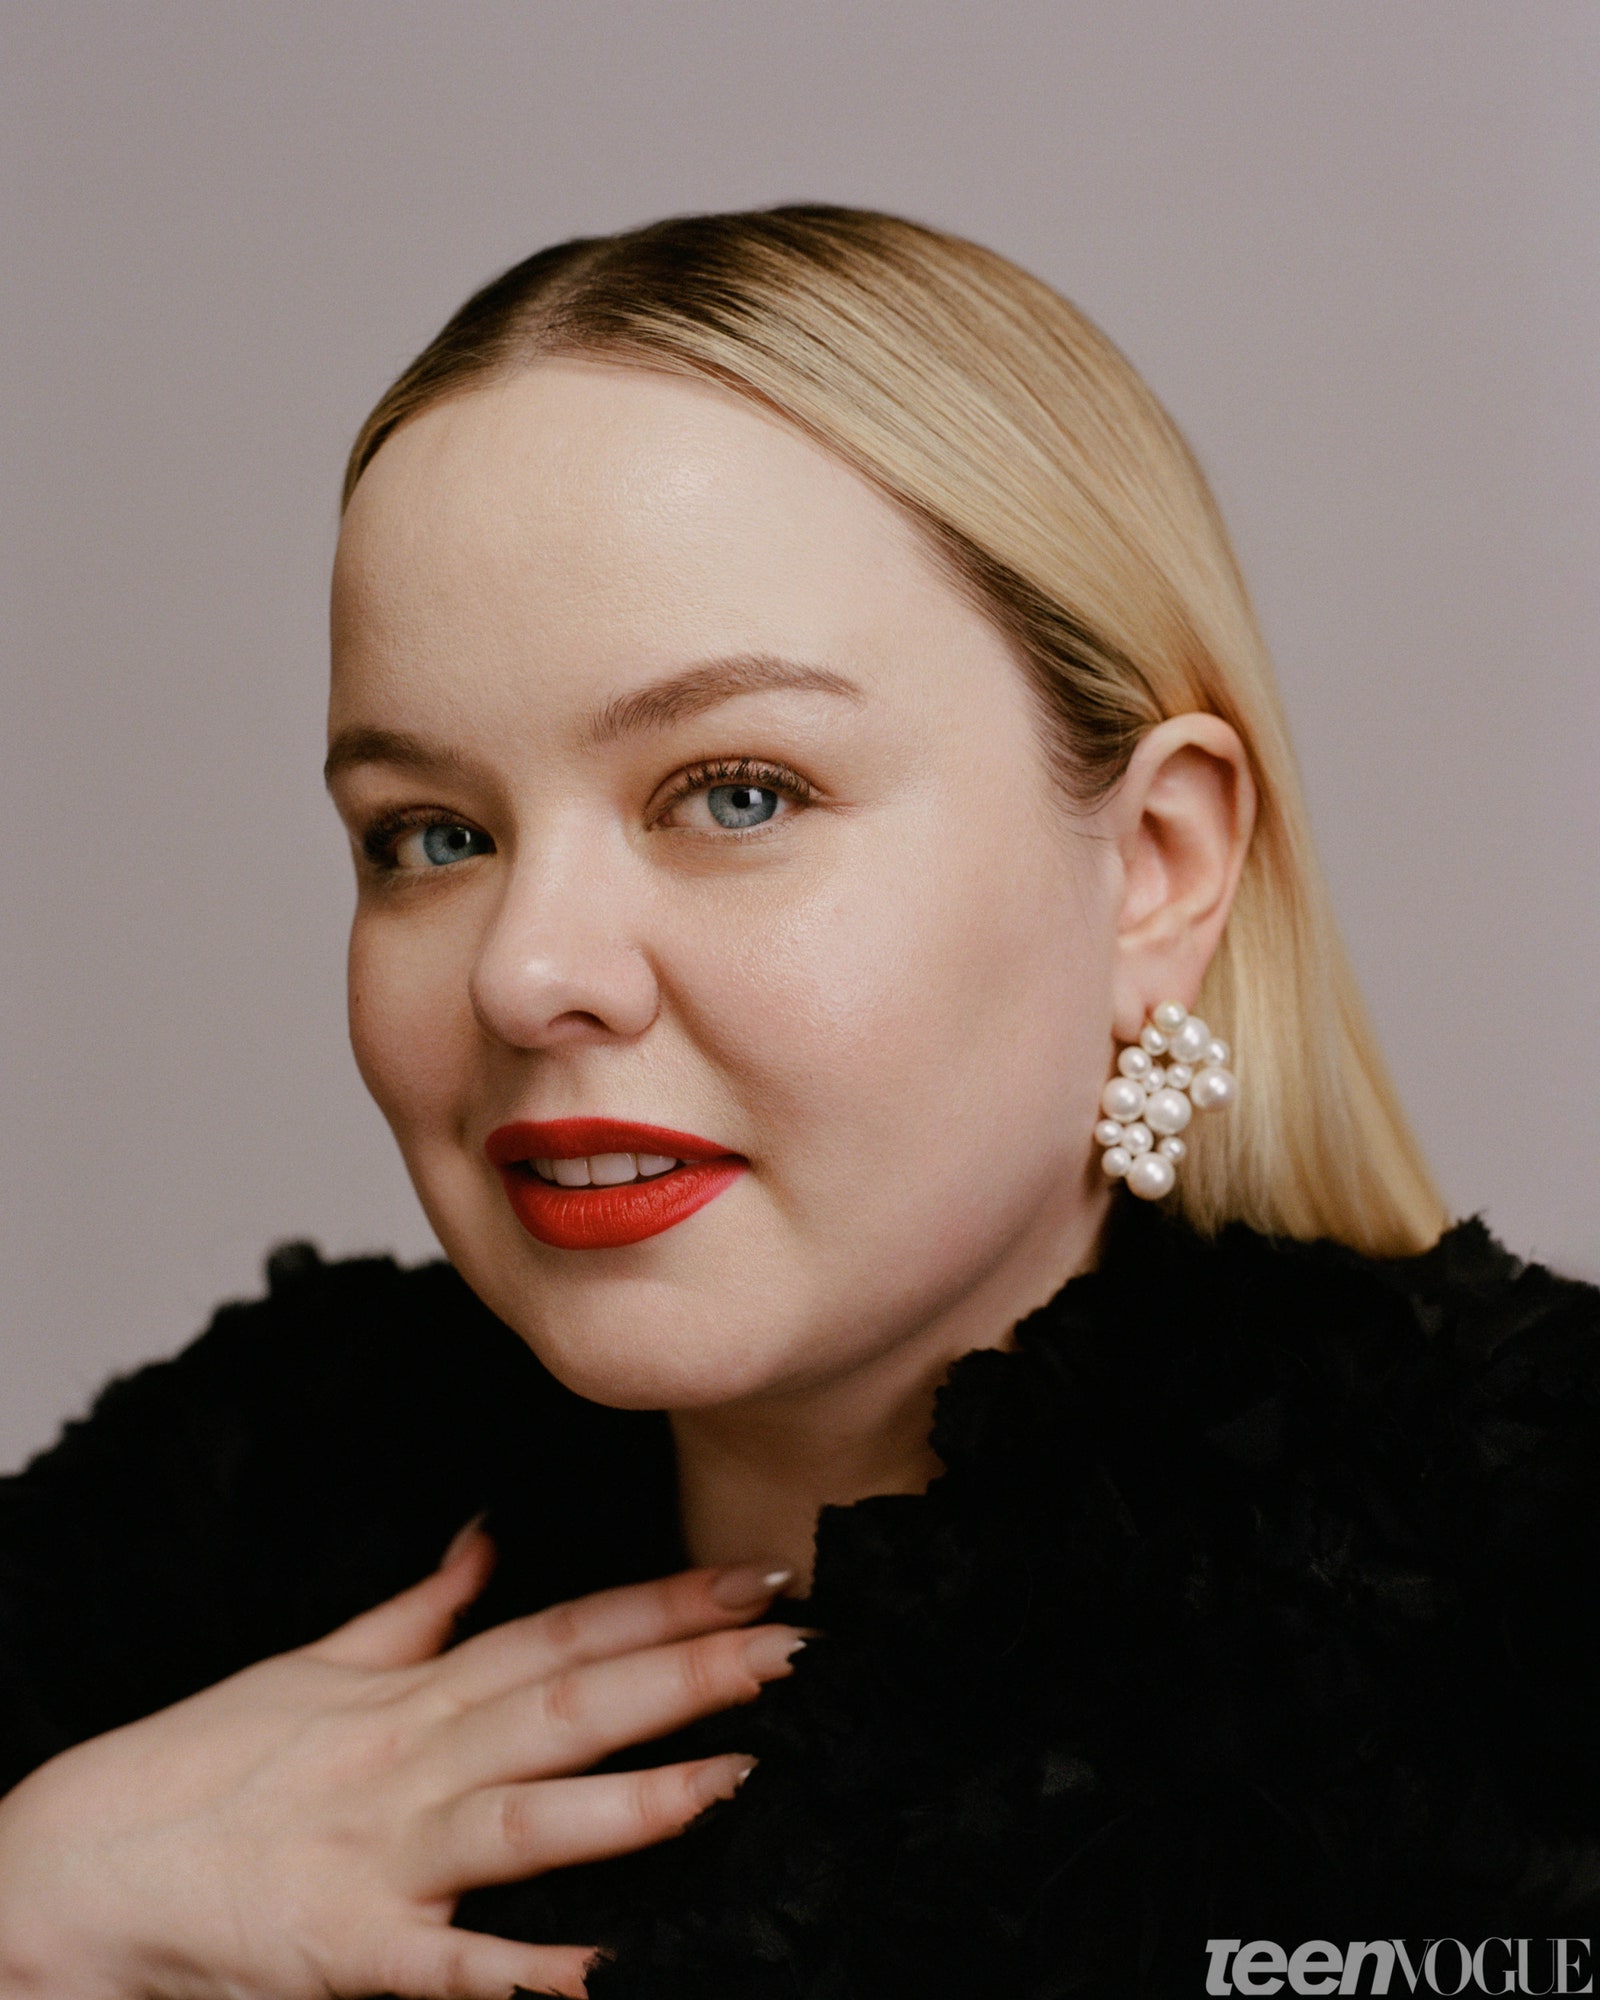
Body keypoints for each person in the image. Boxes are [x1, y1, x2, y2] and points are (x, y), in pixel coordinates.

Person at [0, 205, 1594, 2000]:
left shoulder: (1540, 1619)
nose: (530, 973)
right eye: (430, 836)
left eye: (735, 793)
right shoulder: (204, 1539)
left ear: (1153, 866)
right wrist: (33, 1907)